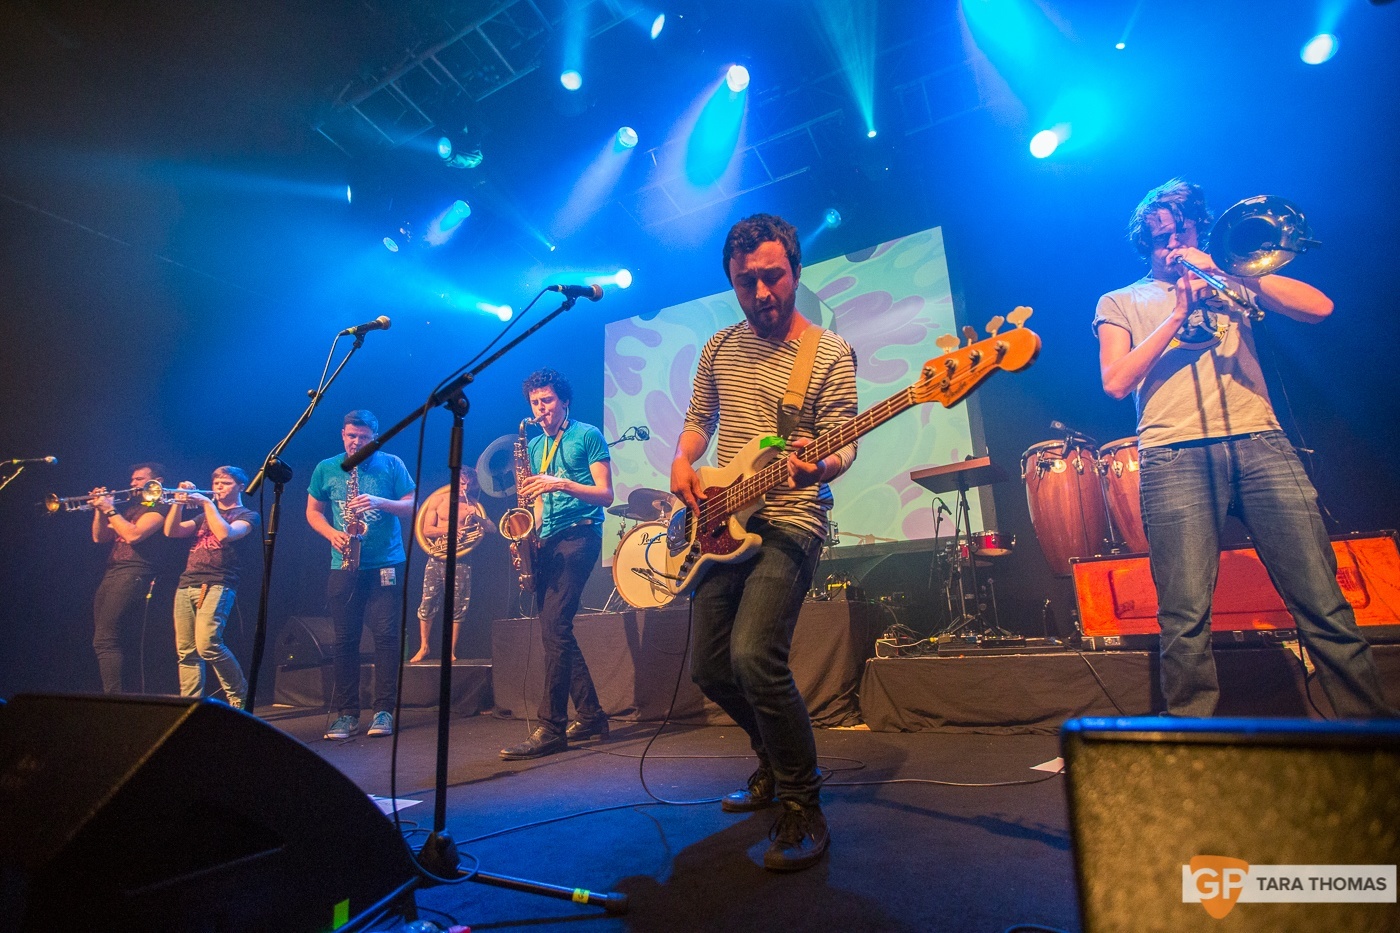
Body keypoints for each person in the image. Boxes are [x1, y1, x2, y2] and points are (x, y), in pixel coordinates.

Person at [1094, 178, 1393, 719]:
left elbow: (1320, 308)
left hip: (1261, 443)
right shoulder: (1121, 300)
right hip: (1175, 454)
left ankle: (1371, 735)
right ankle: (1193, 743)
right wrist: (1178, 314)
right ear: (1146, 242)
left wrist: (1227, 270)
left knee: (1321, 602)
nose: (1174, 244)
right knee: (1184, 616)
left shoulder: (1231, 279)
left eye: (1183, 231)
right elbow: (1116, 382)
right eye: (1162, 237)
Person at [670, 213, 858, 872]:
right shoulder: (719, 347)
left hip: (793, 516)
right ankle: (773, 764)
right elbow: (699, 420)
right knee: (709, 668)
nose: (762, 292)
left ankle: (804, 804)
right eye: (746, 281)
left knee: (754, 653)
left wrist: (820, 465)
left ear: (796, 270)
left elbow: (845, 441)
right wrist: (682, 459)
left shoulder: (828, 352)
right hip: (725, 521)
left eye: (772, 276)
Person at [499, 369, 614, 760]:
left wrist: (559, 483)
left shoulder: (588, 435)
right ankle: (592, 714)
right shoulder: (532, 446)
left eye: (546, 401)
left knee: (556, 627)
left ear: (564, 401)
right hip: (545, 538)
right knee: (555, 630)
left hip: (580, 535)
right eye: (534, 403)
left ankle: (551, 727)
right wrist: (525, 537)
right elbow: (532, 499)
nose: (540, 409)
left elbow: (606, 494)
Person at [307, 410, 416, 739]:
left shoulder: (392, 464)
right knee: (344, 641)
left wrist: (381, 502)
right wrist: (331, 534)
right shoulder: (326, 467)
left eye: (364, 437)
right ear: (343, 434)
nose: (356, 442)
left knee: (385, 638)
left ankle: (383, 710)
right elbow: (313, 512)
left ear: (374, 438)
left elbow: (412, 504)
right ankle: (346, 714)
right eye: (352, 436)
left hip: (386, 562)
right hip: (344, 563)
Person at [163, 467, 258, 709]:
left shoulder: (247, 514)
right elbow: (171, 531)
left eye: (225, 483)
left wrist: (206, 504)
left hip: (218, 582)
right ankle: (190, 705)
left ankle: (240, 695)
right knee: (186, 652)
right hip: (187, 582)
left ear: (240, 487)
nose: (218, 487)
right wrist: (178, 503)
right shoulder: (204, 515)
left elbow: (225, 534)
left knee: (208, 644)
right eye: (215, 483)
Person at [89, 462, 172, 694]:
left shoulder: (161, 506)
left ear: (158, 481)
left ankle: (113, 698)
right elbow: (100, 537)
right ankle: (118, 694)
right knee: (105, 638)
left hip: (134, 571)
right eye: (132, 479)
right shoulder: (132, 508)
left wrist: (109, 509)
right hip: (113, 571)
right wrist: (99, 509)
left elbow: (133, 535)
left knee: (105, 638)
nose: (132, 483)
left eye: (138, 479)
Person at [410, 466, 493, 663]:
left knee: (458, 604)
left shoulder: (473, 505)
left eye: (468, 484)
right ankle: (424, 646)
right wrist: (448, 531)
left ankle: (451, 650)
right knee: (428, 601)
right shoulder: (438, 500)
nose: (464, 488)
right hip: (437, 557)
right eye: (461, 483)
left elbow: (493, 529)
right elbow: (426, 530)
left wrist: (479, 518)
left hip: (461, 559)